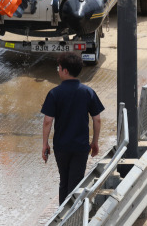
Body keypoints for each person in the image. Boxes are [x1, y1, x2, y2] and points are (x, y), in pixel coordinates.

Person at [41, 52, 104, 204]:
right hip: (81, 147)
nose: (58, 70)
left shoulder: (54, 93)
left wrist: (45, 144)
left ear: (65, 71)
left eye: (59, 68)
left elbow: (48, 121)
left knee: (64, 181)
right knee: (76, 183)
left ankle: (63, 215)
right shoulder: (88, 92)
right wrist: (95, 142)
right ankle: (72, 216)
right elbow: (97, 120)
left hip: (61, 147)